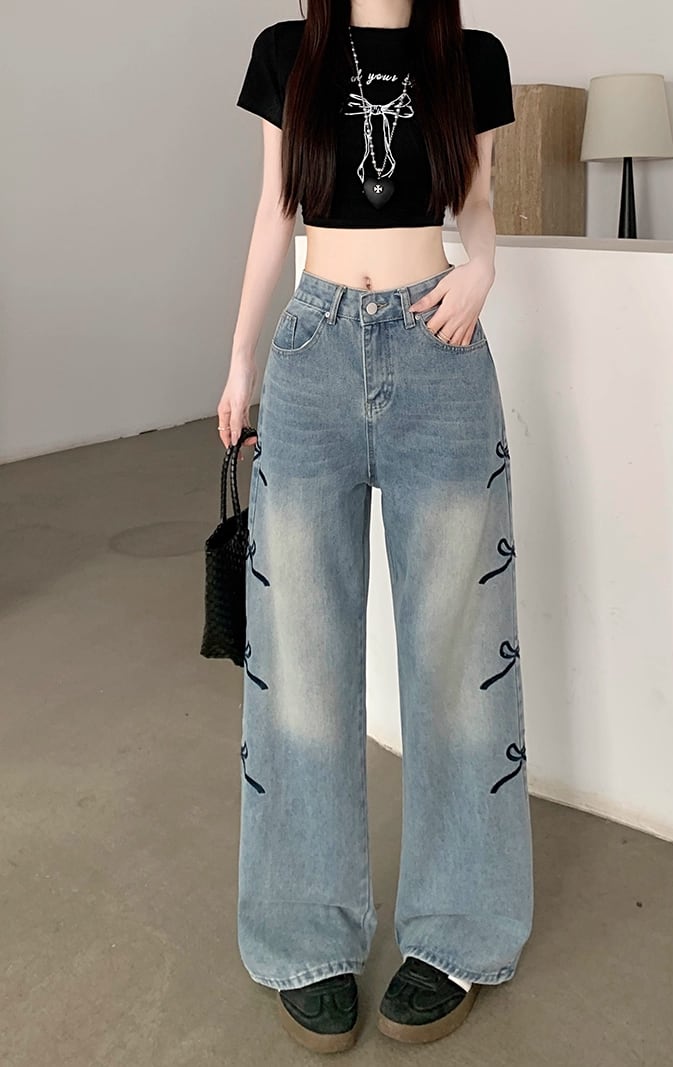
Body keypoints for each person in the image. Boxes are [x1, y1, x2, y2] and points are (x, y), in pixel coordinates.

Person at [218, 0, 534, 1052]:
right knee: (300, 662)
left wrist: (480, 267)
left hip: (440, 349)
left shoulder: (469, 56)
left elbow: (476, 202)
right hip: (311, 354)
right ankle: (304, 935)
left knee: (455, 658)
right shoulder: (289, 52)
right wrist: (240, 362)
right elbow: (274, 215)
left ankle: (458, 931)